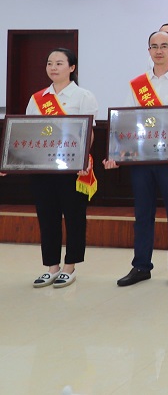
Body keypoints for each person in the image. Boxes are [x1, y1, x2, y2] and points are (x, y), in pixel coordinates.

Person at [105, 30, 168, 287]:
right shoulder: (138, 84)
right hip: (143, 160)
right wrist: (116, 154)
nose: (159, 51)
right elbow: (127, 121)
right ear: (149, 51)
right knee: (142, 215)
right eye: (154, 46)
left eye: (164, 46)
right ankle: (141, 266)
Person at [24, 48, 98, 289]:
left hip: (71, 168)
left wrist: (82, 160)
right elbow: (29, 132)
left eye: (59, 63)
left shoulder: (83, 96)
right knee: (47, 217)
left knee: (74, 217)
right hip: (43, 168)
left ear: (72, 68)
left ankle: (70, 266)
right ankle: (52, 267)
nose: (53, 68)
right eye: (49, 63)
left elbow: (88, 132)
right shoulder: (37, 98)